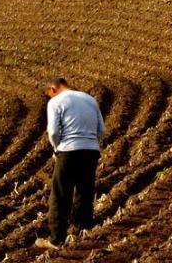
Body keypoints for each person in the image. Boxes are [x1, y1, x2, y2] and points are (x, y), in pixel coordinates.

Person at [35, 77, 105, 250]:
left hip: (69, 150)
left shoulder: (55, 102)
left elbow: (53, 131)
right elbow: (101, 130)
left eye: (48, 94)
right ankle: (84, 229)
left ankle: (56, 239)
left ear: (53, 89)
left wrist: (57, 148)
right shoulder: (90, 99)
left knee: (60, 194)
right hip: (91, 150)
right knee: (85, 190)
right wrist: (90, 143)